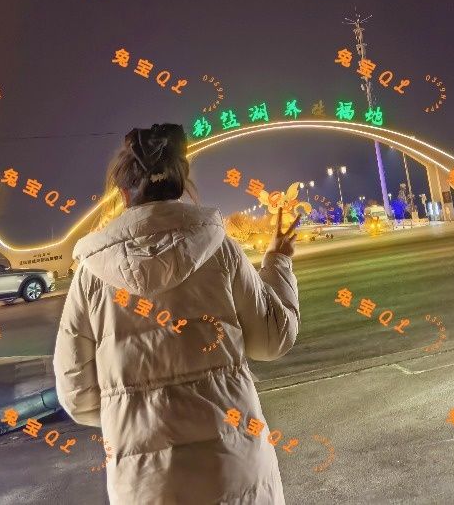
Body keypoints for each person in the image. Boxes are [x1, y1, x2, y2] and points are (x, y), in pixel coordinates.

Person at [53, 123, 300, 504]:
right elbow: (273, 339)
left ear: (123, 192)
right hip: (234, 472)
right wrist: (278, 261)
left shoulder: (91, 275)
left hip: (146, 485)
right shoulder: (220, 249)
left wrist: (133, 409)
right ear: (182, 183)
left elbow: (77, 395)